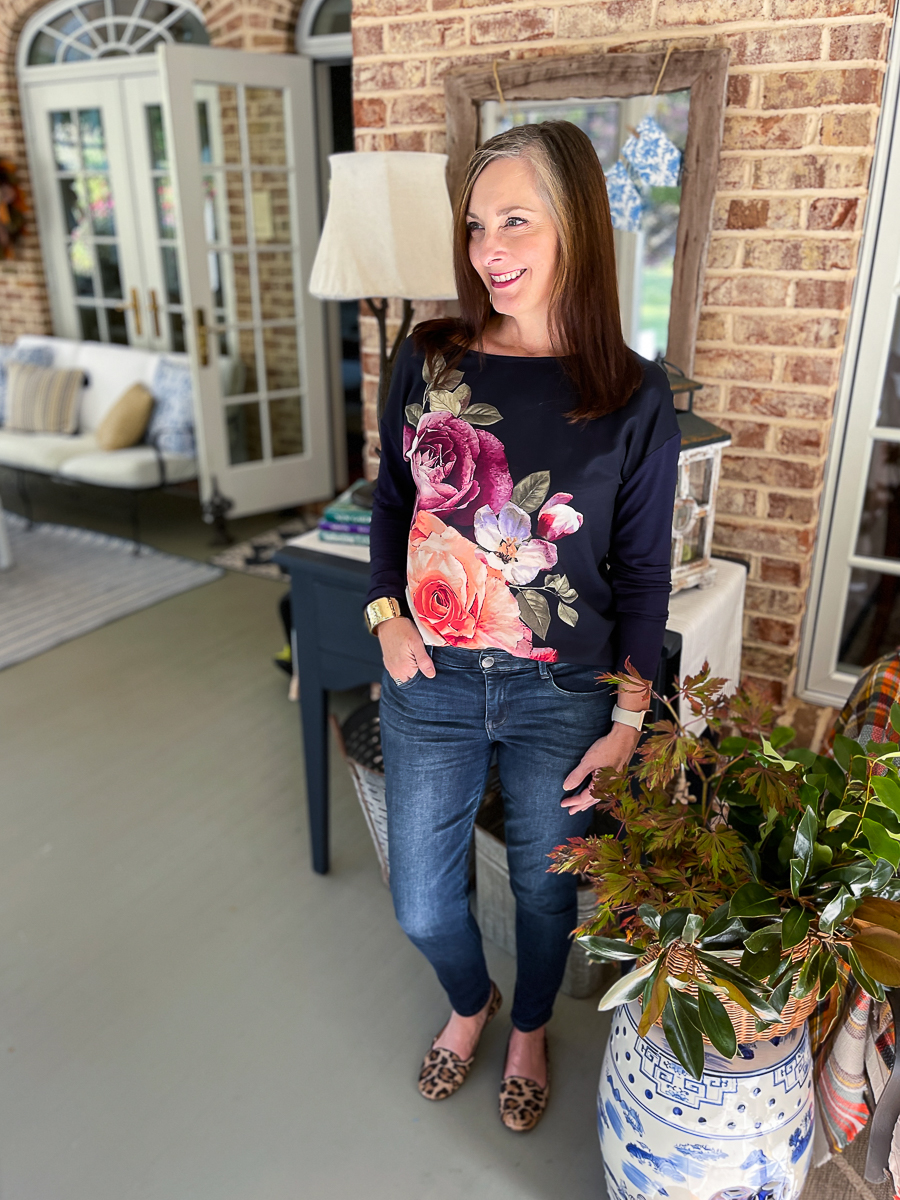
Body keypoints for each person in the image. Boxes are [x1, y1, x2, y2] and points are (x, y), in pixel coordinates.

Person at [363, 121, 680, 1133]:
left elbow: (643, 572)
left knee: (547, 897)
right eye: (474, 225)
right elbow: (386, 503)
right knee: (421, 898)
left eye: (514, 221)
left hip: (565, 696)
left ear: (577, 230)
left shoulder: (632, 395)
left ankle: (531, 1027)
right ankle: (473, 1003)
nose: (488, 250)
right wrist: (383, 619)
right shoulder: (431, 357)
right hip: (434, 679)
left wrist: (631, 719)